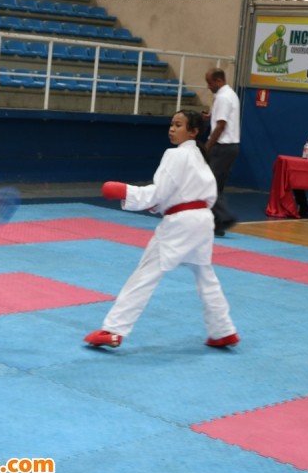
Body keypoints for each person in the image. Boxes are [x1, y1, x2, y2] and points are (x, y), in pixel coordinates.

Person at [84, 110, 239, 350]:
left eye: (178, 125)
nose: (172, 129)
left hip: (181, 224)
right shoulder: (199, 157)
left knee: (146, 273)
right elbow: (172, 195)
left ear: (193, 131)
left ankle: (113, 330)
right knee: (205, 276)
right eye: (171, 124)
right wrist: (154, 203)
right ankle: (223, 330)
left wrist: (126, 192)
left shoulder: (175, 155)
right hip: (202, 221)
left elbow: (159, 192)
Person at [203, 67, 240, 237]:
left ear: (218, 81)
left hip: (222, 146)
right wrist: (210, 117)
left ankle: (224, 217)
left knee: (209, 184)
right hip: (230, 146)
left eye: (210, 83)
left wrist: (207, 146)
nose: (208, 86)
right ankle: (217, 224)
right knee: (217, 186)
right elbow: (221, 120)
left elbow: (221, 126)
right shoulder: (230, 94)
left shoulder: (223, 97)